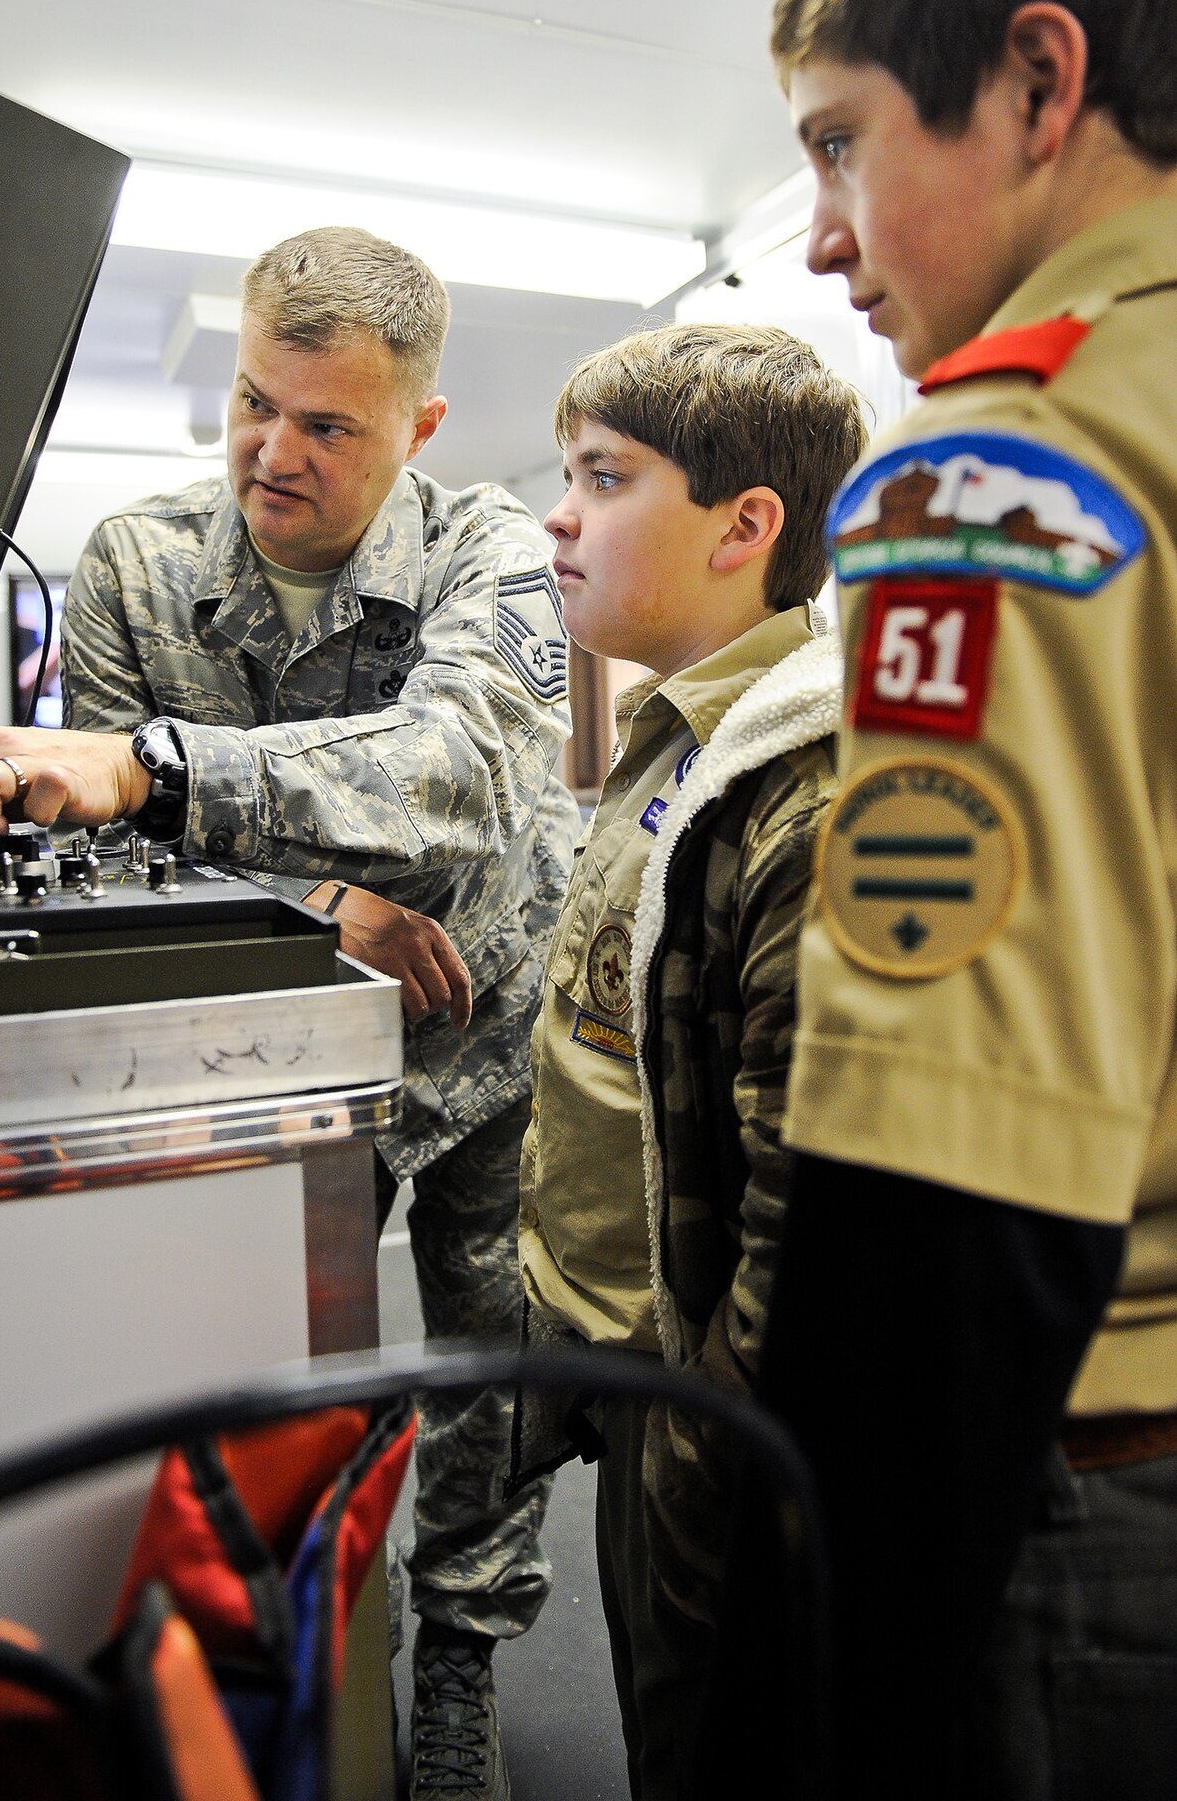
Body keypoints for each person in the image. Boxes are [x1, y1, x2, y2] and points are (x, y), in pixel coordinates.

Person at [0, 225, 580, 1801]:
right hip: (271, 1053)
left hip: (484, 1036)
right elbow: (91, 852)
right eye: (254, 403)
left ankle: (465, 1665)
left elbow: (459, 773)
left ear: (417, 427)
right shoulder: (142, 559)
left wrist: (167, 770)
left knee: (488, 1376)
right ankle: (309, 1660)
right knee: (278, 1381)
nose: (275, 452)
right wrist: (316, 901)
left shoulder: (491, 552)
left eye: (329, 424)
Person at [704, 0, 1177, 1796]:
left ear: (1037, 80)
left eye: (840, 137)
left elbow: (945, 1198)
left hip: (1079, 1507)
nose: (820, 232)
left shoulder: (998, 473)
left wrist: (821, 1670)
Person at [511, 323, 865, 1800]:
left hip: (707, 1421)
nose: (560, 512)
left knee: (715, 1745)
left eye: (606, 476)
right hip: (629, 1374)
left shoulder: (811, 785)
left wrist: (705, 1478)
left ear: (745, 526)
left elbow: (806, 1218)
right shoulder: (673, 739)